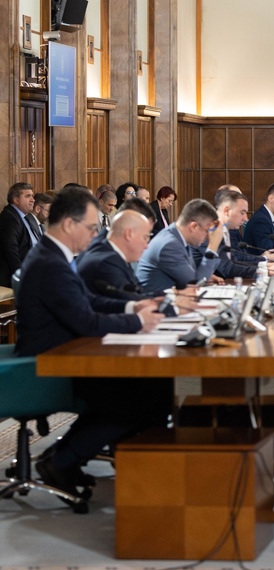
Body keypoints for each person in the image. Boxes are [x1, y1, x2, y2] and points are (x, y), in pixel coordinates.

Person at [14, 186, 168, 501]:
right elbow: (88, 322)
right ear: (69, 224)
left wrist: (132, 307)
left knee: (148, 389)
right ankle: (62, 460)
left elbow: (87, 301)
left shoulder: (52, 254)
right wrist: (138, 321)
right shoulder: (51, 263)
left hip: (63, 349)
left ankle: (63, 457)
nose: (95, 234)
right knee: (142, 395)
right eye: (90, 227)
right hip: (49, 361)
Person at [136, 198, 224, 293]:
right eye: (207, 231)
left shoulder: (177, 237)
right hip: (154, 301)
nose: (208, 237)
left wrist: (204, 276)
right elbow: (194, 284)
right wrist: (213, 245)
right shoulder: (170, 245)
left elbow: (192, 276)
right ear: (193, 226)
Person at [77, 210, 159, 300]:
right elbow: (129, 300)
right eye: (145, 238)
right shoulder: (107, 263)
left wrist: (166, 294)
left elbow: (137, 291)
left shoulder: (109, 252)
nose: (146, 246)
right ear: (129, 234)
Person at [211, 188, 274, 279]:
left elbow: (234, 261)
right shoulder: (212, 230)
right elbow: (226, 268)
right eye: (242, 213)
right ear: (227, 211)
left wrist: (263, 266)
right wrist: (264, 271)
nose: (246, 219)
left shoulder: (225, 229)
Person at [0, 182, 38, 287]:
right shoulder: (8, 217)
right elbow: (11, 251)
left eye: (32, 196)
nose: (33, 200)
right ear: (16, 200)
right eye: (28, 196)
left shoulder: (27, 217)